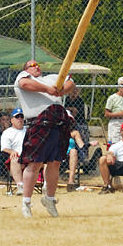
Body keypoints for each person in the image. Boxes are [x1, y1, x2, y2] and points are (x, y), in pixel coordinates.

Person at [14, 59, 75, 218]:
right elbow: (25, 84)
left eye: (38, 64)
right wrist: (48, 89)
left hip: (58, 124)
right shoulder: (24, 76)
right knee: (35, 163)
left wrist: (62, 90)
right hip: (39, 124)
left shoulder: (51, 78)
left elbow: (71, 82)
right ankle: (26, 202)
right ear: (26, 69)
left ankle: (49, 199)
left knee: (55, 162)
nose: (37, 67)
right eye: (32, 65)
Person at [0, 107, 27, 194]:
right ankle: (20, 186)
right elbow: (4, 148)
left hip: (32, 157)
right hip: (19, 158)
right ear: (12, 120)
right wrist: (12, 151)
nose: (20, 119)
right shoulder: (8, 132)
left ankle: (47, 186)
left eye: (21, 117)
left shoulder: (29, 130)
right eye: (17, 117)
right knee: (14, 159)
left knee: (48, 158)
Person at [104, 76, 123, 144]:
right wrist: (119, 114)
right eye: (122, 85)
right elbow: (106, 114)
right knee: (115, 143)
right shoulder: (112, 98)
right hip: (115, 122)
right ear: (118, 86)